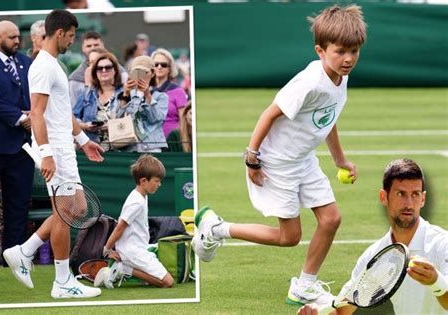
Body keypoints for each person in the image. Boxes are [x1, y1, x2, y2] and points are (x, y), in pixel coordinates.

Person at [192, 4, 366, 307]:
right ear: (320, 50)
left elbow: (329, 117)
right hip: (277, 164)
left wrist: (340, 160)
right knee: (289, 237)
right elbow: (269, 114)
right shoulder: (308, 83)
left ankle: (304, 287)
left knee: (331, 219)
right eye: (340, 51)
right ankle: (216, 228)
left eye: (354, 51)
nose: (348, 58)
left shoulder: (341, 76)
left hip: (304, 160)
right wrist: (252, 159)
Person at [2, 9, 104, 299]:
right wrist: (46, 154)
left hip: (63, 148)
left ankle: (24, 251)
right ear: (60, 33)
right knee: (66, 212)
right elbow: (37, 113)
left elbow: (62, 110)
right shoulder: (44, 67)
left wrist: (84, 140)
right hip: (55, 150)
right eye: (71, 36)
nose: (72, 41)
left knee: (76, 208)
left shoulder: (52, 64)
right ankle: (62, 282)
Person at [298, 159, 448, 314]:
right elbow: (343, 309)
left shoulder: (442, 243)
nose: (409, 204)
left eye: (415, 194)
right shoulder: (375, 255)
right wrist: (318, 312)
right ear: (384, 197)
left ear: (423, 199)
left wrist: (436, 282)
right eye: (401, 194)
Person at [0, 20, 34, 256]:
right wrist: (19, 118)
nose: (18, 41)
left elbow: (36, 94)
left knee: (18, 206)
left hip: (22, 148)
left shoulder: (26, 62)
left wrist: (33, 115)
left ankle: (13, 257)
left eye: (18, 37)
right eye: (12, 37)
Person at [94, 154, 174, 289]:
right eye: (156, 181)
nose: (159, 184)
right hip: (132, 251)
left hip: (138, 248)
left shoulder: (141, 195)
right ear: (143, 181)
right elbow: (120, 228)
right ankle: (123, 269)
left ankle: (126, 268)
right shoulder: (136, 202)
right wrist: (107, 250)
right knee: (168, 282)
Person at [114, 55, 168, 153]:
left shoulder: (161, 96)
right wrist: (125, 95)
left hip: (152, 146)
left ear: (152, 73)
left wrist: (148, 96)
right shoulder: (123, 94)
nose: (140, 75)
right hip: (128, 146)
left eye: (144, 72)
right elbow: (116, 119)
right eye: (136, 72)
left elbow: (154, 119)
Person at [73, 52, 123, 147]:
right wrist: (85, 126)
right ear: (95, 72)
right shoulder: (87, 93)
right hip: (92, 147)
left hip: (119, 149)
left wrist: (112, 127)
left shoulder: (125, 93)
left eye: (108, 67)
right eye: (99, 68)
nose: (104, 70)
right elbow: (73, 118)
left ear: (115, 70)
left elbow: (132, 120)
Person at [69, 31, 127, 107]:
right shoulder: (76, 79)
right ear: (83, 48)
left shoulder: (121, 73)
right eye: (89, 46)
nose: (93, 48)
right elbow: (74, 110)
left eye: (96, 45)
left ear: (103, 46)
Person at [151, 48, 188, 138]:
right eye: (156, 64)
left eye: (163, 65)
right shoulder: (146, 90)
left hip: (171, 141)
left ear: (169, 68)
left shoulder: (178, 91)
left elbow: (184, 121)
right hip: (150, 143)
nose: (159, 67)